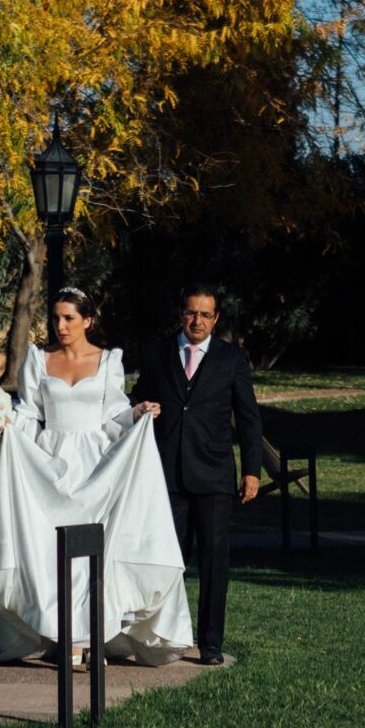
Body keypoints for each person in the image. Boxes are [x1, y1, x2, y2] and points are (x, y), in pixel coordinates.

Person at [0, 287, 192, 667]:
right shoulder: (38, 361)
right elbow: (30, 413)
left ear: (88, 320)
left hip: (96, 466)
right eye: (55, 318)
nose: (60, 326)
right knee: (51, 552)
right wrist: (4, 419)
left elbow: (113, 418)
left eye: (69, 318)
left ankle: (93, 636)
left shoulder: (108, 361)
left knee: (95, 552)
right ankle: (65, 635)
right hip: (50, 464)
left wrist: (137, 413)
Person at [131, 283, 262, 666]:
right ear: (181, 314)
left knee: (214, 562)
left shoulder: (231, 359)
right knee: (165, 560)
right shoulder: (157, 353)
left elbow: (250, 419)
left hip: (215, 475)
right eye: (191, 313)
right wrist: (141, 407)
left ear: (216, 318)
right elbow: (136, 398)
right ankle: (163, 636)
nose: (197, 321)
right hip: (166, 475)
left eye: (206, 314)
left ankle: (210, 643)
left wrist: (251, 471)